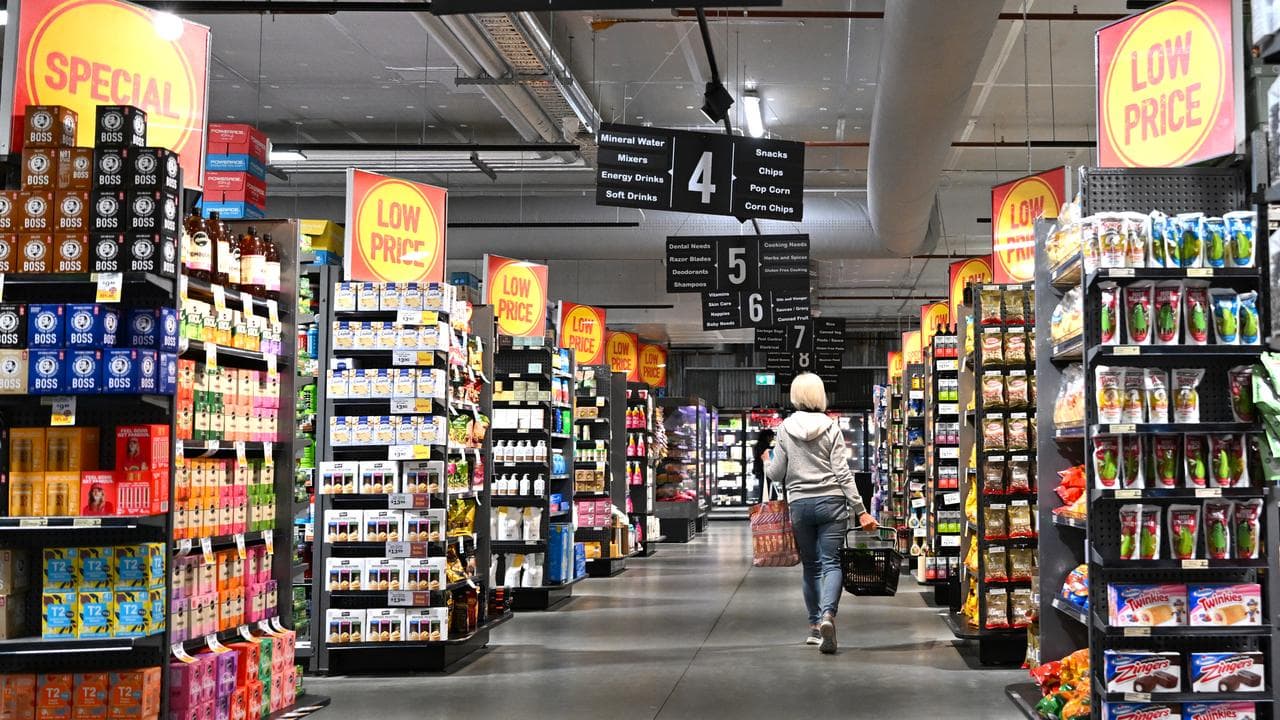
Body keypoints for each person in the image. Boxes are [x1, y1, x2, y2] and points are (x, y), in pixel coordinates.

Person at [766, 373, 877, 654]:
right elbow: (842, 473)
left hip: (801, 504)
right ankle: (829, 615)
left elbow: (777, 474)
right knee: (832, 564)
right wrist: (861, 511)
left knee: (811, 566)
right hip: (832, 503)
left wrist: (768, 462)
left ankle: (815, 627)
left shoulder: (785, 428)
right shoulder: (831, 427)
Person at [751, 428, 775, 503]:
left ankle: (763, 508)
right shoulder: (764, 446)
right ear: (767, 437)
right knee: (765, 491)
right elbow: (764, 458)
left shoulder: (758, 445)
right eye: (771, 437)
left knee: (764, 490)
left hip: (760, 470)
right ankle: (763, 509)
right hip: (763, 471)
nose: (772, 439)